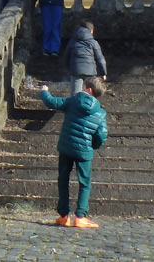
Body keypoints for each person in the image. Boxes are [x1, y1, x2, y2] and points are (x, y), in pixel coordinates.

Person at [40, 76, 108, 228]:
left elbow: (52, 102)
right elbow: (102, 134)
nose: (82, 89)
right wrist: (93, 145)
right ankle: (80, 216)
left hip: (66, 147)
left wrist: (44, 92)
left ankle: (64, 216)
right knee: (85, 183)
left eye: (84, 87)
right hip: (84, 151)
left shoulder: (72, 101)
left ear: (88, 90)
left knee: (63, 179)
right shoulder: (100, 112)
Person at [63, 21, 107, 95]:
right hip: (90, 71)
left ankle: (75, 105)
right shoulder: (93, 42)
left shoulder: (72, 41)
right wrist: (103, 73)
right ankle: (89, 106)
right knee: (90, 93)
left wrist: (68, 69)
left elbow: (66, 57)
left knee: (75, 95)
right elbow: (100, 59)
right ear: (91, 30)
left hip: (76, 70)